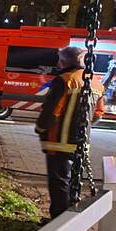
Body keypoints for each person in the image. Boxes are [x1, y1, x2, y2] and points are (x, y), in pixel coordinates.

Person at [35, 46, 106, 219]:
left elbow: (52, 113)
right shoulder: (96, 83)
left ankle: (58, 224)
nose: (58, 63)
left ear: (64, 61)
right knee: (74, 183)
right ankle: (70, 219)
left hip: (58, 143)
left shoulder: (64, 80)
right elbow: (98, 113)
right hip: (81, 144)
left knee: (59, 184)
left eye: (60, 60)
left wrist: (40, 128)